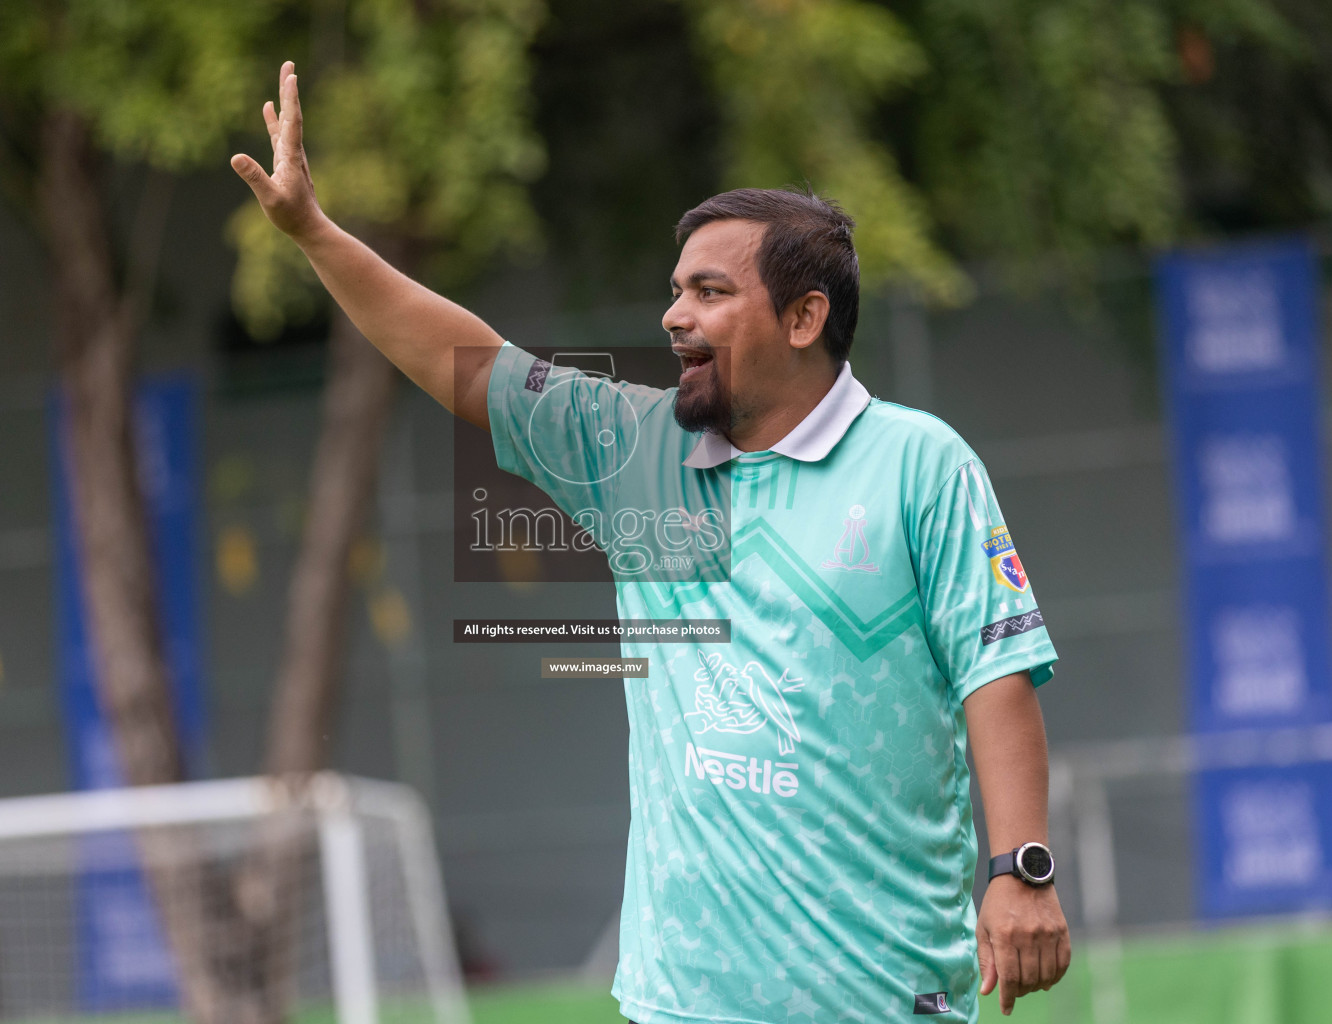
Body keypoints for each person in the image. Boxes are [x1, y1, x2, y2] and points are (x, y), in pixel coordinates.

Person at [233, 61, 1070, 1022]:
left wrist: (1022, 869)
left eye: (710, 293)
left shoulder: (920, 464)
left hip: (880, 997)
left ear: (806, 318)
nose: (674, 316)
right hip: (680, 1004)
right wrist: (312, 232)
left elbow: (995, 673)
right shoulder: (633, 447)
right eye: (675, 291)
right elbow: (464, 362)